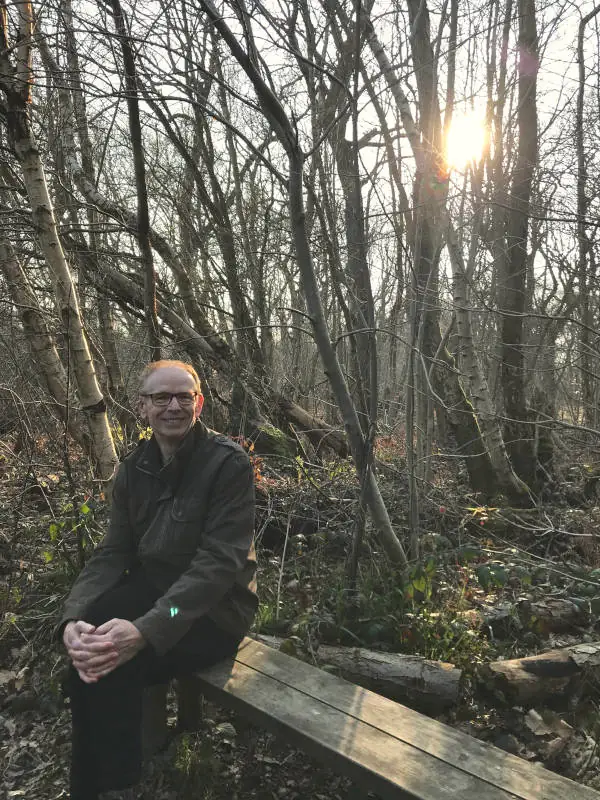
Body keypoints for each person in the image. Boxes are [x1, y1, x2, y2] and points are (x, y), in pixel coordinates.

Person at [59, 360, 257, 800]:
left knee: (114, 661)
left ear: (199, 403)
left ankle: (116, 785)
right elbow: (112, 552)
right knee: (91, 641)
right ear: (142, 406)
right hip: (159, 594)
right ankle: (100, 785)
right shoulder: (133, 469)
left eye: (183, 396)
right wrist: (72, 618)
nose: (174, 406)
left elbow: (216, 568)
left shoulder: (227, 464)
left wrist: (146, 629)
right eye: (161, 397)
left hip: (214, 611)